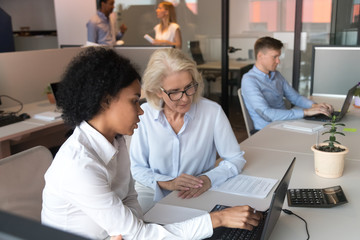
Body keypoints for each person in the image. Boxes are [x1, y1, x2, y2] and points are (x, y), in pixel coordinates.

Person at [41, 47, 262, 240]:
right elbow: (137, 232)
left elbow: (130, 199)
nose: (141, 110)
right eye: (134, 101)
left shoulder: (116, 142)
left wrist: (141, 228)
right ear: (105, 100)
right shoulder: (79, 166)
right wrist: (218, 218)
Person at [130, 48, 246, 213]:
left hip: (197, 192)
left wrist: (208, 179)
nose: (185, 98)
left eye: (189, 87)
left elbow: (235, 159)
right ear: (158, 91)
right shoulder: (145, 114)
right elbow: (137, 168)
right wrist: (169, 183)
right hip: (152, 192)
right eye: (175, 92)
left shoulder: (212, 112)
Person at [241, 36, 334, 131]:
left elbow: (295, 97)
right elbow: (266, 114)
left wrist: (314, 106)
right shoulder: (249, 80)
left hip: (286, 124)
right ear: (260, 56)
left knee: (325, 129)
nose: (278, 61)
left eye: (279, 56)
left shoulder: (276, 75)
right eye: (274, 57)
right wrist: (305, 112)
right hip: (268, 131)